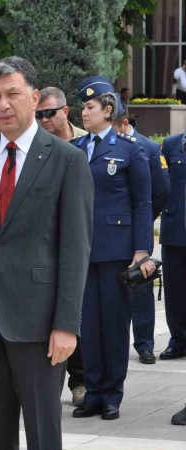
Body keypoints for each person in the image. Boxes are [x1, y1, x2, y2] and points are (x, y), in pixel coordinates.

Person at [0, 56, 93, 450]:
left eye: (12, 94)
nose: (3, 104)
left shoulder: (68, 161)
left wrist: (67, 324)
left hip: (40, 323)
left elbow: (75, 248)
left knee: (44, 433)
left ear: (33, 96)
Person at [71, 76, 154, 421]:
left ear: (108, 110)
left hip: (117, 251)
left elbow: (142, 203)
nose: (84, 113)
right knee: (88, 325)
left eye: (90, 107)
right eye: (83, 107)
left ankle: (111, 395)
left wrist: (141, 250)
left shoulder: (128, 150)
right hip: (82, 251)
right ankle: (92, 391)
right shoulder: (75, 151)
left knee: (114, 325)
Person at [36, 86, 88, 406]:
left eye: (49, 114)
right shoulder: (35, 147)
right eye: (38, 115)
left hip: (79, 240)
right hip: (44, 243)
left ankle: (80, 381)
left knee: (76, 314)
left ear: (65, 112)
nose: (43, 120)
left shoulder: (85, 143)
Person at [112, 94, 170, 365]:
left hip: (139, 227)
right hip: (112, 230)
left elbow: (161, 191)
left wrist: (144, 221)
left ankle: (145, 344)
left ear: (123, 123)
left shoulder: (147, 147)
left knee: (141, 287)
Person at [161, 130, 186, 426]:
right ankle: (178, 338)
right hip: (176, 235)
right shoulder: (171, 144)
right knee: (177, 303)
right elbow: (160, 187)